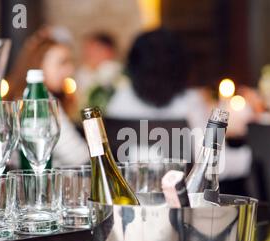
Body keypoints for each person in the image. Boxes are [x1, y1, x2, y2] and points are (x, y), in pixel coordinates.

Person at [106, 28, 251, 181]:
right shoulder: (189, 103)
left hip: (132, 199)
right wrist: (254, 156)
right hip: (182, 201)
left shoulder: (119, 101)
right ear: (182, 66)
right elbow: (214, 165)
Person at [7, 27, 89, 167]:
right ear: (39, 64)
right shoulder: (42, 102)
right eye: (62, 62)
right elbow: (78, 156)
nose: (70, 70)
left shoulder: (17, 97)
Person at [76, 32, 122, 113]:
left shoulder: (115, 70)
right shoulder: (83, 71)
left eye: (95, 49)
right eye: (87, 49)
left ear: (109, 51)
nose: (89, 54)